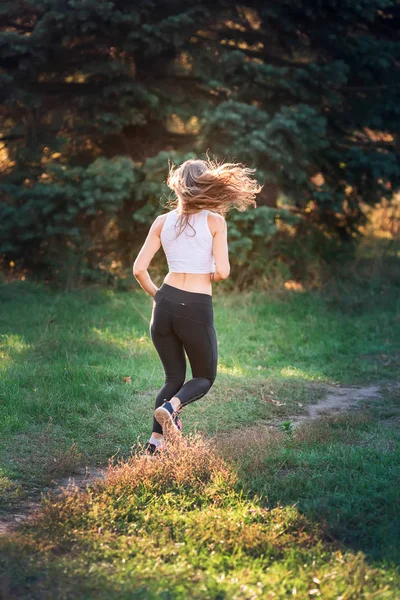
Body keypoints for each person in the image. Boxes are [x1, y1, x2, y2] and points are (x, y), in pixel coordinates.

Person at [133, 155, 262, 455]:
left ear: (178, 188)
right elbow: (224, 272)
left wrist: (158, 296)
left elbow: (139, 269)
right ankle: (172, 406)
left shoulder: (161, 221)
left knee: (172, 377)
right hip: (196, 306)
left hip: (163, 303)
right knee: (204, 377)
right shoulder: (215, 221)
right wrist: (206, 273)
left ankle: (153, 447)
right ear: (206, 186)